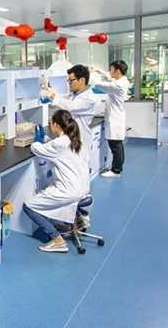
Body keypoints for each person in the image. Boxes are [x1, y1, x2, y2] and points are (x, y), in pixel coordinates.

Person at [22, 110, 90, 253]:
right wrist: (45, 138)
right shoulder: (75, 140)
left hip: (69, 191)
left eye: (51, 121)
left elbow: (37, 149)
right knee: (52, 192)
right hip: (83, 189)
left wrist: (37, 140)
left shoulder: (60, 144)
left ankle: (57, 240)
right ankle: (78, 219)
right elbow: (56, 146)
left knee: (28, 206)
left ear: (56, 125)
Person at [39, 65, 96, 165]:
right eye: (68, 80)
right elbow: (62, 98)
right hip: (70, 139)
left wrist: (51, 94)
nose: (69, 83)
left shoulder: (89, 98)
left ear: (82, 80)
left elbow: (71, 107)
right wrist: (48, 90)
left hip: (81, 140)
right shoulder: (73, 95)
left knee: (79, 170)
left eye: (71, 80)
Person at [92, 60, 130, 178]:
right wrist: (97, 70)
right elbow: (109, 78)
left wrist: (88, 76)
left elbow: (99, 85)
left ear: (117, 71)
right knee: (117, 145)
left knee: (115, 146)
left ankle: (116, 170)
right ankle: (117, 167)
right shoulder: (121, 81)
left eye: (111, 69)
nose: (110, 72)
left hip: (115, 118)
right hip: (115, 116)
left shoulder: (118, 85)